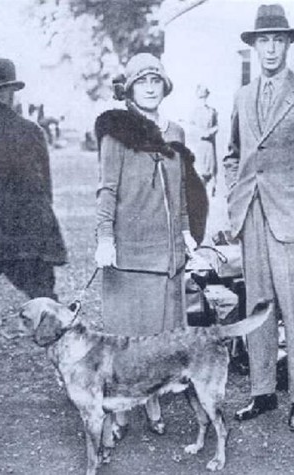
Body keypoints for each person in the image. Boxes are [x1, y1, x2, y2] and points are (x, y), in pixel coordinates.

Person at [223, 4, 294, 431]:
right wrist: (234, 197)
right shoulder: (241, 96)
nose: (270, 49)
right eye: (263, 41)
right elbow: (233, 155)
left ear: (289, 44)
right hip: (252, 216)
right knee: (257, 308)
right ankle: (263, 391)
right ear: (254, 46)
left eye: (278, 40)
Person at [94, 53, 207, 440]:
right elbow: (107, 189)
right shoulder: (116, 132)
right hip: (129, 255)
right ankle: (121, 411)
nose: (149, 87)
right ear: (130, 89)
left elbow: (180, 190)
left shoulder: (176, 131)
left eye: (155, 80)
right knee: (126, 339)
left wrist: (188, 233)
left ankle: (154, 403)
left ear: (164, 86)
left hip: (167, 255)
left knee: (159, 340)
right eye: (141, 81)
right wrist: (105, 238)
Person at [0, 58, 67, 300]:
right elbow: (46, 188)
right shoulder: (32, 131)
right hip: (30, 233)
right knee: (44, 297)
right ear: (11, 93)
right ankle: (60, 336)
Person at [190, 84, 218, 198]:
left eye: (205, 96)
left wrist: (211, 131)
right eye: (201, 96)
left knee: (210, 170)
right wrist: (200, 132)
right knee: (200, 171)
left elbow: (216, 126)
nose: (203, 99)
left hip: (209, 144)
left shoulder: (212, 111)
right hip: (199, 144)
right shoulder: (195, 112)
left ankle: (209, 193)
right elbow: (191, 127)